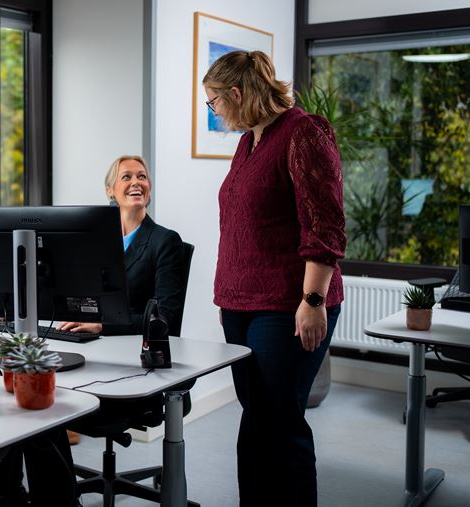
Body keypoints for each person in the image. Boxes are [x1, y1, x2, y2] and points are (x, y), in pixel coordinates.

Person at [202, 50, 346, 506]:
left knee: (280, 422)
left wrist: (314, 300)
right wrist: (229, 297)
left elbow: (324, 223)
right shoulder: (249, 140)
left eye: (213, 102)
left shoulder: (304, 132)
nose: (214, 112)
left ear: (236, 94)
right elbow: (243, 222)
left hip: (288, 304)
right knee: (256, 418)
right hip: (240, 304)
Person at [57, 155, 187, 337]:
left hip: (137, 344)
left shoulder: (166, 241)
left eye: (142, 177)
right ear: (110, 191)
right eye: (126, 177)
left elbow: (163, 317)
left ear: (149, 188)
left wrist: (102, 326)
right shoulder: (97, 241)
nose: (136, 182)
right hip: (93, 340)